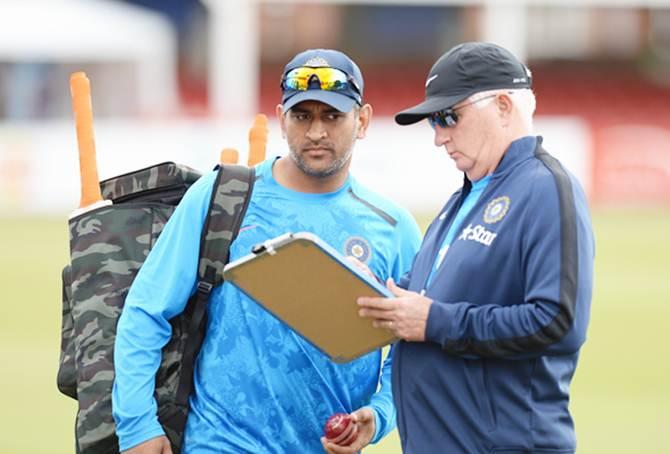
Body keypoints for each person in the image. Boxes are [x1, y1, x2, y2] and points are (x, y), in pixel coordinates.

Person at [112, 48, 422, 454]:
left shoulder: (392, 228)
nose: (315, 132)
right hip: (219, 442)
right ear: (280, 118)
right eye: (302, 116)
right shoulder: (224, 195)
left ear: (362, 120)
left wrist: (379, 416)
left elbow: (412, 352)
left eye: (332, 116)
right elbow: (146, 309)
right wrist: (137, 425)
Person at [357, 42, 595, 453]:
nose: (439, 137)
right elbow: (416, 304)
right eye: (434, 122)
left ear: (503, 106)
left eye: (450, 117)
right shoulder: (460, 201)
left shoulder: (546, 187)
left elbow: (558, 321)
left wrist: (436, 322)